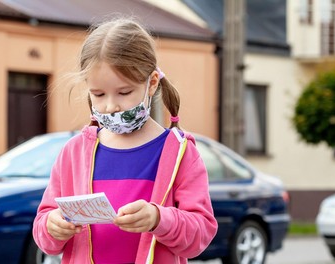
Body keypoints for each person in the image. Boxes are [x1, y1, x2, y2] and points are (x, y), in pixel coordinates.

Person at [33, 17, 217, 264]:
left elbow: (200, 235)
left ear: (151, 83)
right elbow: (43, 229)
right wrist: (52, 226)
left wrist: (158, 219)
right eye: (98, 94)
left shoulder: (180, 153)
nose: (110, 106)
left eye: (124, 92)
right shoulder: (74, 152)